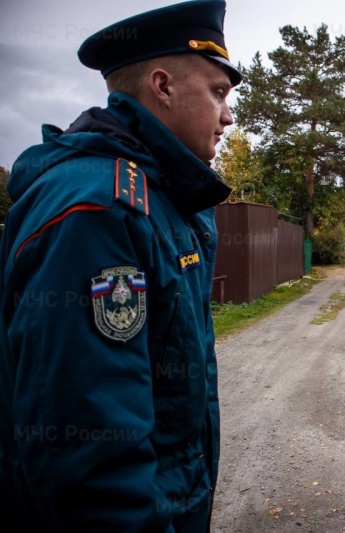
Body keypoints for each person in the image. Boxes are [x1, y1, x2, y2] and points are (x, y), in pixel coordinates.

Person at [0, 1, 241, 530]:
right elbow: (90, 457)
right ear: (163, 86)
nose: (228, 116)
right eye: (218, 93)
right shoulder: (99, 211)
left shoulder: (166, 200)